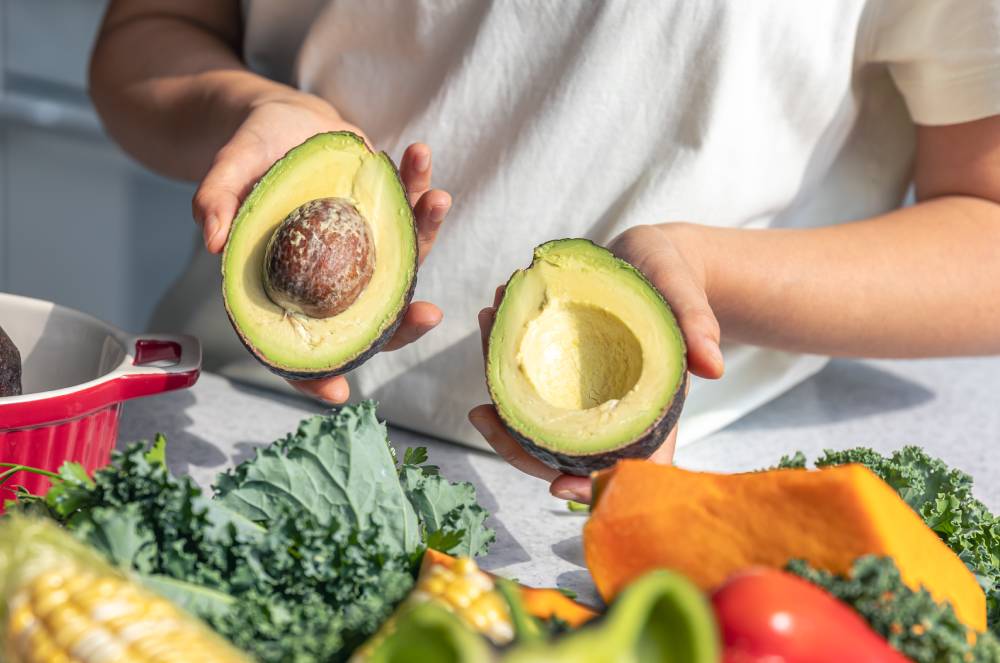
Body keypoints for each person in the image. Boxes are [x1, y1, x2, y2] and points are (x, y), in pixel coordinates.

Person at [91, 1, 1000, 503]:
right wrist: (255, 107)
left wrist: (706, 276)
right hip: (219, 422)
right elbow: (147, 31)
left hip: (639, 497)